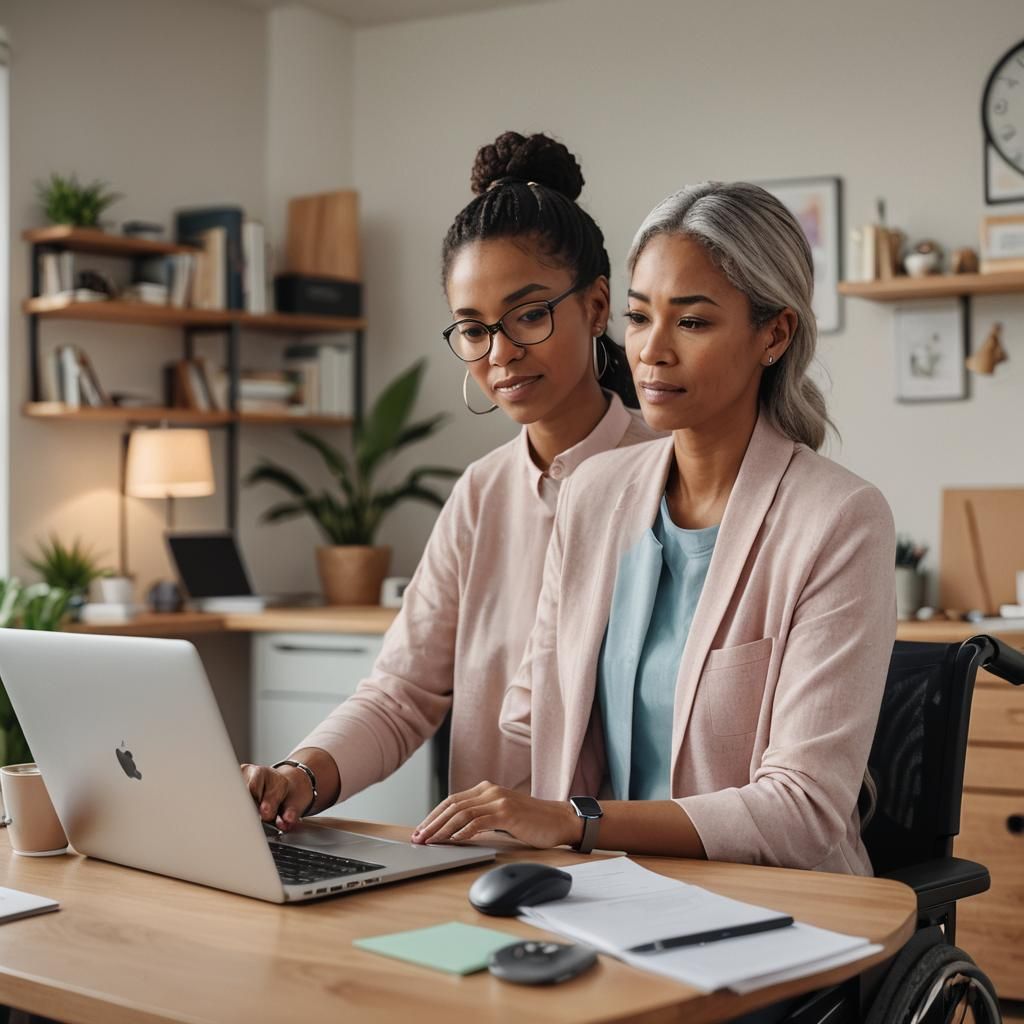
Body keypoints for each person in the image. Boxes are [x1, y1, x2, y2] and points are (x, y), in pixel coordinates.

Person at [412, 181, 896, 876]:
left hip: (775, 907)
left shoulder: (838, 519)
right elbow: (531, 714)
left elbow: (803, 809)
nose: (652, 351)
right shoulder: (594, 492)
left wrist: (574, 823)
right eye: (640, 319)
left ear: (774, 334)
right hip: (600, 893)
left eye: (692, 323)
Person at [242, 132, 658, 830]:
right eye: (473, 329)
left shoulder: (676, 470)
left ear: (595, 307)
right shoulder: (481, 493)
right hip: (495, 869)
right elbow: (401, 694)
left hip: (644, 869)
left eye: (529, 315)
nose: (500, 353)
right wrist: (299, 776)